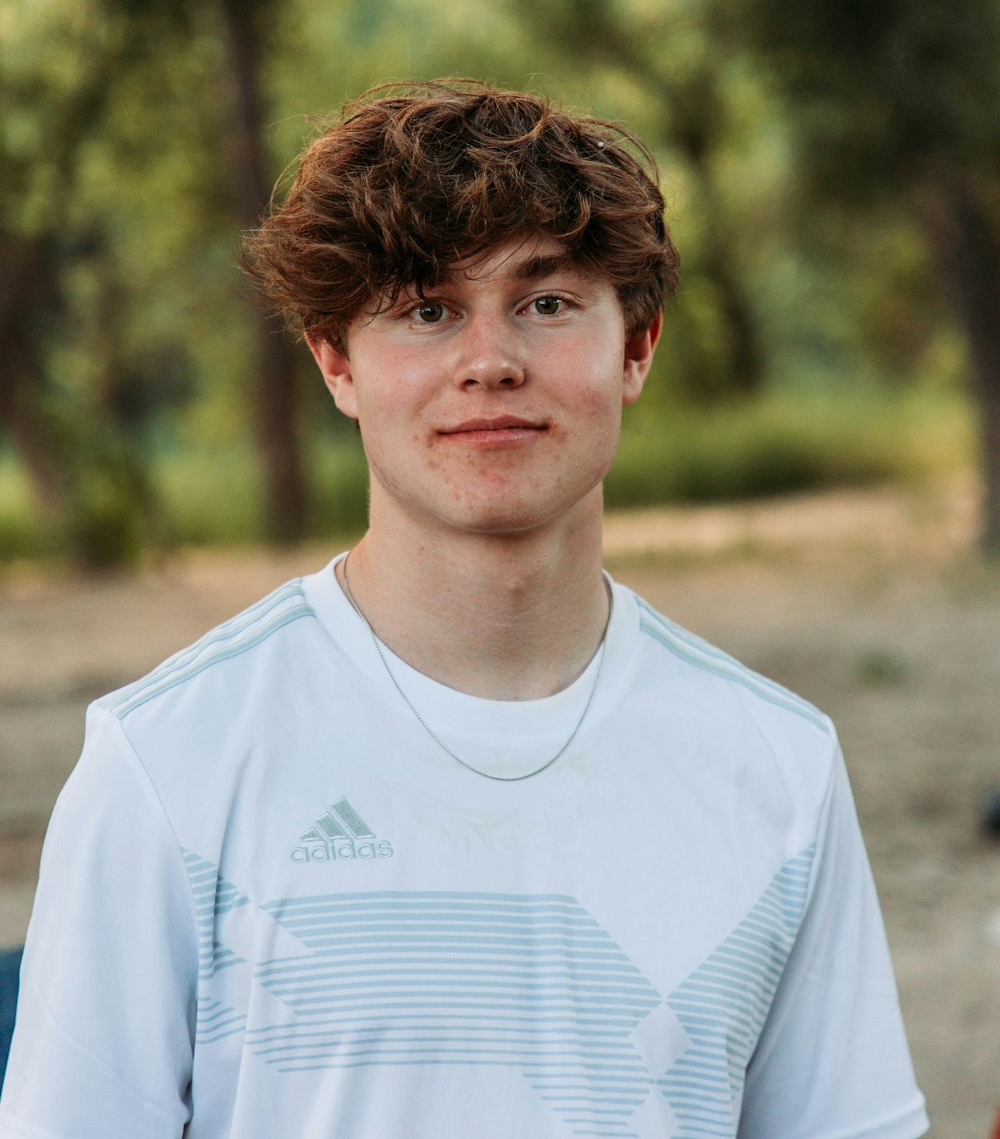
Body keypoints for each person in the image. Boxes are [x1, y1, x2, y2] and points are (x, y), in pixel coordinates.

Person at [0, 82, 928, 1139]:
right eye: (425, 310)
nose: (489, 362)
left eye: (545, 302)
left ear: (637, 347)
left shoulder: (778, 766)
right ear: (336, 360)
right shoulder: (165, 762)